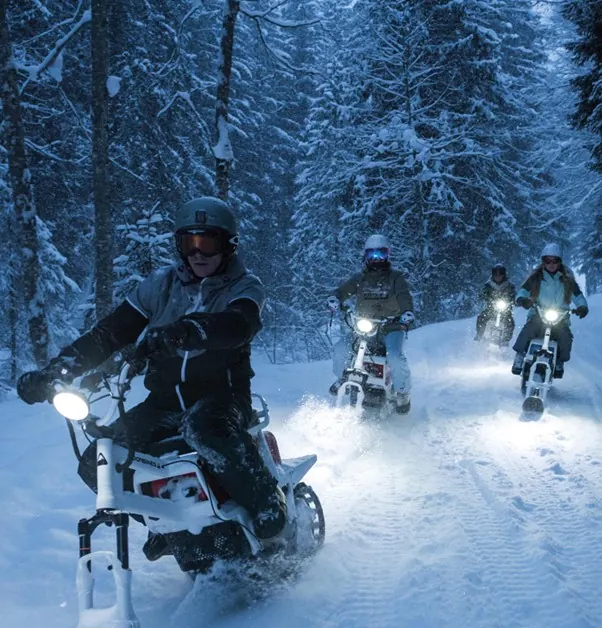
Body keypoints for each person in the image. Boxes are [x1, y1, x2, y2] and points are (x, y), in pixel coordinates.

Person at [16, 196, 287, 548]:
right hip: (163, 404)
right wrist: (55, 371)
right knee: (98, 460)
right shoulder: (160, 286)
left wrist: (187, 330)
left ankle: (266, 504)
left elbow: (238, 324)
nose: (198, 253)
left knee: (203, 429)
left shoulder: (243, 286)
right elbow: (108, 334)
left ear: (228, 245)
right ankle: (163, 522)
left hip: (222, 397)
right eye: (189, 243)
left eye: (208, 241)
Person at [327, 234, 415, 412]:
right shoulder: (360, 279)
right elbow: (343, 291)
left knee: (395, 355)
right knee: (340, 349)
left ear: (387, 255)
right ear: (366, 256)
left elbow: (403, 295)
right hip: (364, 326)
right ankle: (342, 377)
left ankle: (402, 391)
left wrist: (407, 312)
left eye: (380, 254)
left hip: (391, 326)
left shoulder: (396, 278)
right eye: (372, 255)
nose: (376, 259)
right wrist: (335, 299)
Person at [511, 242, 588, 377]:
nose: (551, 264)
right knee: (529, 329)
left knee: (565, 336)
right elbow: (523, 291)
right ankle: (519, 355)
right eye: (547, 261)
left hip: (560, 317)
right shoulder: (536, 278)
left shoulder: (567, 280)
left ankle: (559, 361)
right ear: (543, 262)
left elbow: (578, 296)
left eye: (555, 260)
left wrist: (582, 307)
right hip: (538, 314)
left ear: (560, 262)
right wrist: (523, 299)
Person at [474, 263, 515, 344]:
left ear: (503, 275)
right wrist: (485, 298)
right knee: (481, 318)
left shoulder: (509, 286)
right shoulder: (488, 285)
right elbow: (483, 293)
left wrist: (512, 301)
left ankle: (505, 340)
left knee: (510, 323)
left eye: (500, 275)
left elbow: (513, 295)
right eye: (496, 275)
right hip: (491, 309)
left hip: (505, 311)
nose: (498, 277)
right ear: (493, 275)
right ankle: (479, 335)